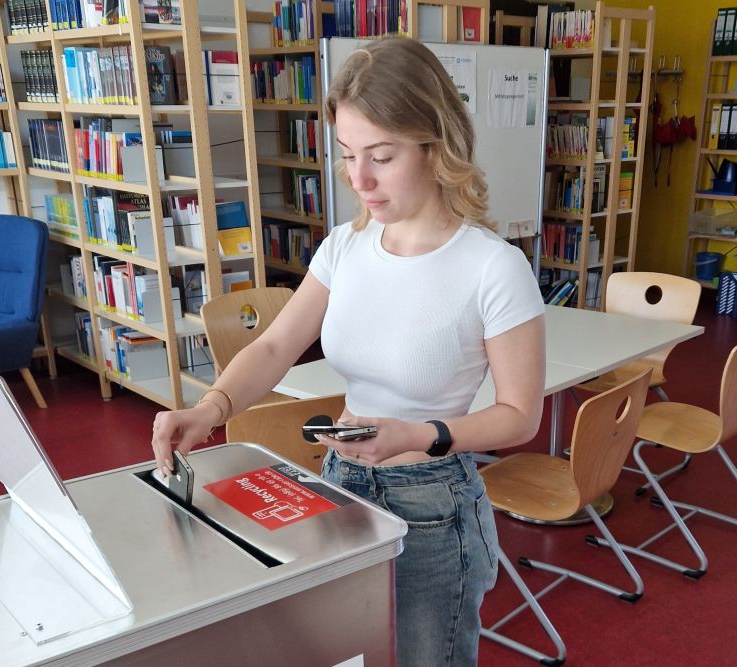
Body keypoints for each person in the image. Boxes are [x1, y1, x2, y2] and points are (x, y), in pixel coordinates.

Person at [152, 35, 546, 666]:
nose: (359, 179)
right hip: (342, 484)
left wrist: (418, 435)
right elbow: (279, 343)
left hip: (433, 502)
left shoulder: (493, 268)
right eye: (348, 155)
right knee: (346, 655)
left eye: (382, 157)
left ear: (435, 145)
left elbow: (521, 416)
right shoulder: (345, 246)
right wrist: (211, 407)